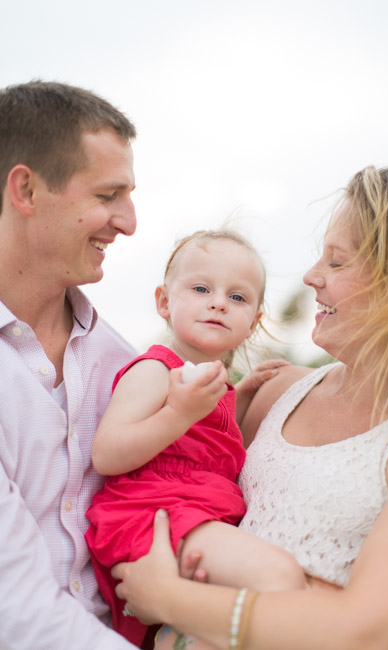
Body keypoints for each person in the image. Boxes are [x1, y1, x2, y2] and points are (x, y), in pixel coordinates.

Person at [112, 166, 388, 650]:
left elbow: (374, 633)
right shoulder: (274, 392)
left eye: (337, 262)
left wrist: (168, 598)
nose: (311, 276)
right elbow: (174, 483)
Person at [85, 230, 307, 647]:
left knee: (201, 634)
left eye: (238, 298)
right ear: (165, 302)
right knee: (277, 575)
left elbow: (207, 444)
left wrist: (238, 395)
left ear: (254, 322)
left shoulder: (215, 387)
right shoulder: (154, 370)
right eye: (202, 288)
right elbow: (107, 454)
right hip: (154, 512)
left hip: (194, 511)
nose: (219, 302)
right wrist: (178, 413)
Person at [0, 80, 141, 650]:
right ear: (27, 189)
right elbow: (13, 607)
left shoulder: (123, 366)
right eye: (109, 195)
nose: (129, 222)